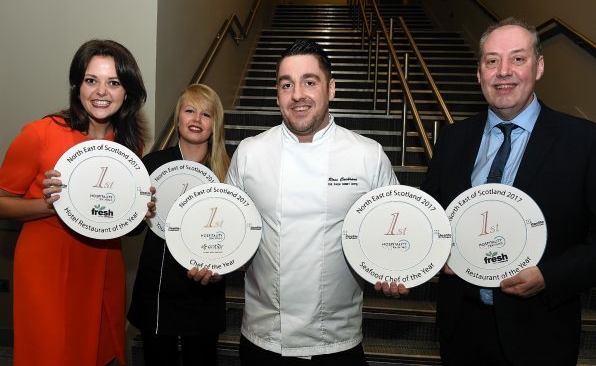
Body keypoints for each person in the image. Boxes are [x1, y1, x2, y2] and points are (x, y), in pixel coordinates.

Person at [421, 17, 596, 365]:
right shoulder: (453, 140)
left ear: (539, 66)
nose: (504, 71)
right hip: (462, 330)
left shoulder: (584, 141)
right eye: (491, 61)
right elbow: (431, 219)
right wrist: (429, 255)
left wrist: (549, 277)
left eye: (518, 59)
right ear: (479, 72)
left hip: (541, 334)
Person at [225, 38, 408, 365]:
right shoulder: (250, 153)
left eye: (310, 82)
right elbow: (229, 229)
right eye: (286, 84)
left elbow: (394, 227)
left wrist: (398, 269)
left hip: (336, 341)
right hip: (264, 338)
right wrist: (212, 259)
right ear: (277, 93)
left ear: (331, 88)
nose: (297, 94)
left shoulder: (367, 155)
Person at [0, 39, 153, 365]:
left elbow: (115, 217)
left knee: (99, 351)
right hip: (47, 266)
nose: (101, 91)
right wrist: (51, 204)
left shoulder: (129, 144)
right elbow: (2, 203)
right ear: (77, 85)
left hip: (102, 264)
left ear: (127, 91)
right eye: (91, 80)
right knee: (50, 351)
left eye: (113, 82)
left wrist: (138, 212)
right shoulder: (40, 133)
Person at [127, 84, 230, 365]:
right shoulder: (153, 164)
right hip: (158, 292)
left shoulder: (228, 171)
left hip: (205, 291)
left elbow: (235, 237)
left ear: (215, 123)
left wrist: (222, 267)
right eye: (190, 111)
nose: (196, 119)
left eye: (206, 114)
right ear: (178, 118)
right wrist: (139, 211)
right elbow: (134, 230)